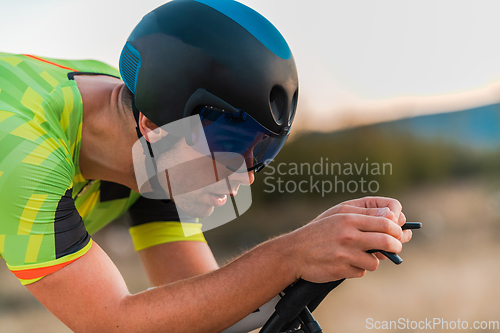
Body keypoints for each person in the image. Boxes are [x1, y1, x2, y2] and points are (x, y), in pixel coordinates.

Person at [0, 0, 412, 332]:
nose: (246, 175)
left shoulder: (151, 144)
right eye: (229, 149)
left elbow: (198, 307)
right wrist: (292, 254)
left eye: (262, 152)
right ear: (153, 126)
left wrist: (321, 256)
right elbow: (114, 322)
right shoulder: (23, 152)